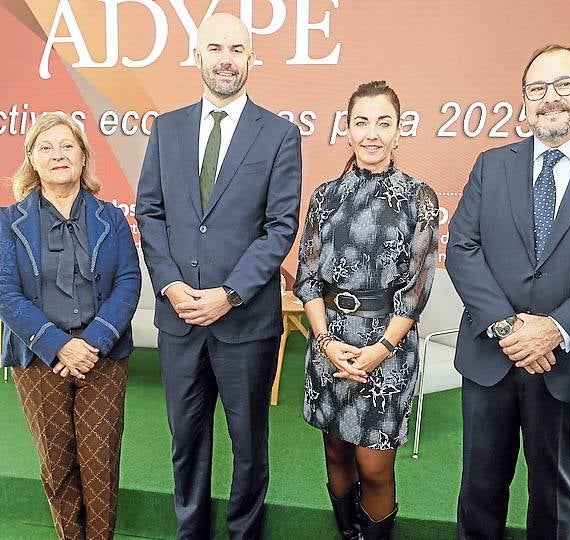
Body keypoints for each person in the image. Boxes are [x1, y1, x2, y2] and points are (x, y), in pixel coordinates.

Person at [447, 44, 570, 539]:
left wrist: (555, 329)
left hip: (569, 361)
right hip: (491, 356)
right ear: (524, 99)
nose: (550, 98)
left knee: (554, 497)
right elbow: (462, 247)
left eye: (564, 85)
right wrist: (508, 326)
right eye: (537, 89)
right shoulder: (491, 164)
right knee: (479, 490)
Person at [135, 12, 302, 540]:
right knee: (186, 442)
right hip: (179, 319)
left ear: (251, 57)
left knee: (249, 445)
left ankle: (244, 534)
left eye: (236, 48)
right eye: (215, 48)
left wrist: (229, 294)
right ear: (198, 56)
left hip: (245, 322)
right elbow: (150, 211)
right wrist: (169, 283)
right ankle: (192, 533)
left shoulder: (279, 134)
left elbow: (280, 228)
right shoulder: (167, 128)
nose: (225, 58)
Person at [293, 81, 439, 539]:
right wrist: (325, 343)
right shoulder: (324, 197)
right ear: (347, 130)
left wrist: (379, 349)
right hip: (328, 341)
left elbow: (415, 292)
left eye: (383, 122)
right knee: (336, 452)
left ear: (399, 131)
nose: (372, 133)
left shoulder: (420, 199)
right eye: (361, 122)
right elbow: (308, 277)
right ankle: (347, 533)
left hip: (388, 348)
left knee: (373, 466)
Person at [0, 112, 141, 539]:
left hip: (102, 357)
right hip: (39, 358)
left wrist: (91, 342)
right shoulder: (8, 222)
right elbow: (6, 291)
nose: (57, 155)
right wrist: (58, 345)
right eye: (46, 147)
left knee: (100, 464)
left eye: (67, 146)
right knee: (56, 465)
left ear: (83, 157)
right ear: (32, 160)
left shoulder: (110, 219)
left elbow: (128, 282)